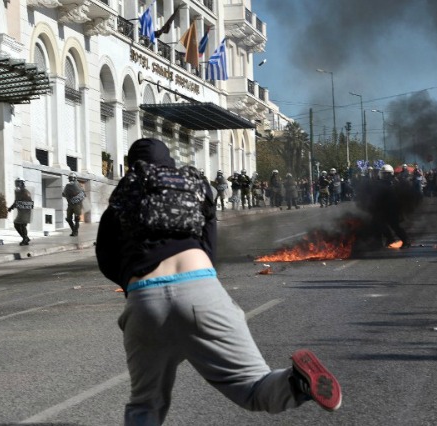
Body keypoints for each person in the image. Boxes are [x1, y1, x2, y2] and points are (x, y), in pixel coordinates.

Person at [95, 138, 341, 425]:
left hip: (144, 300)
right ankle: (296, 383)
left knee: (145, 404)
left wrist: (131, 285)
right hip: (199, 288)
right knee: (253, 388)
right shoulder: (195, 188)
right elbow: (209, 247)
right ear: (169, 162)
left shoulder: (123, 196)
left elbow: (106, 257)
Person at [8, 177, 33, 246]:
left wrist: (19, 205)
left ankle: (25, 239)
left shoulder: (25, 192)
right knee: (16, 224)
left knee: (22, 225)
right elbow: (16, 201)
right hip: (20, 211)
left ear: (22, 183)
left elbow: (30, 203)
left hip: (26, 211)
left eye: (18, 182)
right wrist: (11, 207)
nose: (17, 184)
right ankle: (25, 238)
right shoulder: (17, 191)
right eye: (16, 182)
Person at [62, 172, 86, 236]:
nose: (70, 179)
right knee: (69, 219)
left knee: (76, 219)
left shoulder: (79, 185)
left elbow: (83, 195)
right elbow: (64, 194)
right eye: (70, 178)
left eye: (71, 178)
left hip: (77, 205)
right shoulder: (68, 186)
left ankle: (75, 232)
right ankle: (74, 231)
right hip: (70, 204)